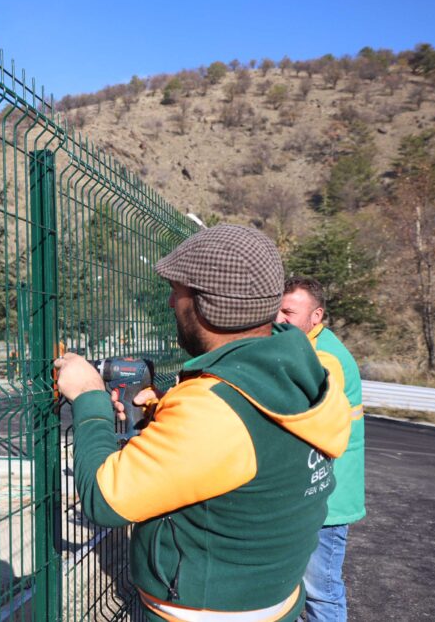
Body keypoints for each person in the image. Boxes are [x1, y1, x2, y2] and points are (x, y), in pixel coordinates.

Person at [56, 224, 352, 622]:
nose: (169, 303)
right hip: (273, 600)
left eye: (176, 292)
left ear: (205, 305)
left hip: (204, 612)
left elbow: (104, 501)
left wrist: (90, 398)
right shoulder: (302, 370)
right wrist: (166, 420)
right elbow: (249, 454)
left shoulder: (216, 408)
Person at [277, 276, 365, 622]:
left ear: (316, 316)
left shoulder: (325, 356)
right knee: (301, 589)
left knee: (320, 591)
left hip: (327, 499)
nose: (279, 319)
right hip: (315, 492)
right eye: (277, 310)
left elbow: (304, 415)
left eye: (288, 312)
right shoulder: (305, 346)